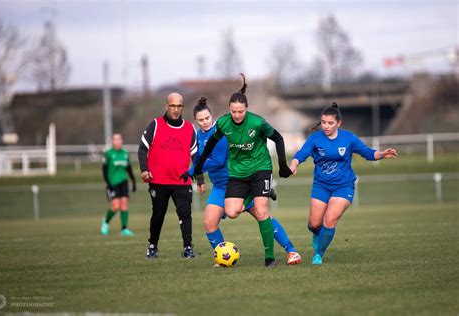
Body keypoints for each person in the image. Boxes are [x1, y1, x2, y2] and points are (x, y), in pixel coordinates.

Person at [191, 74, 293, 267]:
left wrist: (192, 171)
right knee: (209, 222)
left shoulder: (223, 130)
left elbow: (218, 160)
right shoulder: (203, 134)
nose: (204, 122)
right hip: (224, 186)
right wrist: (200, 178)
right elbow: (200, 158)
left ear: (212, 117)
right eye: (200, 119)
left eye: (207, 118)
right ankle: (223, 258)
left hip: (241, 177)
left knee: (262, 215)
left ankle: (289, 249)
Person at [289, 103, 398, 265]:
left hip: (343, 185)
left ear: (339, 123)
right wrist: (294, 164)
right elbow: (301, 154)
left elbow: (367, 153)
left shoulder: (348, 138)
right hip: (321, 185)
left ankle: (318, 254)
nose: (326, 126)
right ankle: (317, 234)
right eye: (324, 122)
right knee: (314, 224)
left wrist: (381, 154)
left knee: (330, 219)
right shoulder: (315, 139)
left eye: (330, 123)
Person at [138, 92, 198, 259]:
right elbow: (143, 149)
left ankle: (188, 248)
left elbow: (195, 156)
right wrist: (144, 169)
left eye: (179, 106)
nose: (176, 109)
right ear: (167, 106)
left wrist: (199, 179)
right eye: (173, 106)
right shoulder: (155, 125)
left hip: (182, 180)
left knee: (185, 214)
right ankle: (152, 246)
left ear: (182, 107)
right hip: (159, 180)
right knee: (158, 214)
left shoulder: (189, 128)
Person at [100, 133, 137, 236]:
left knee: (124, 205)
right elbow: (104, 170)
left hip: (123, 182)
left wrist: (133, 181)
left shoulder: (125, 153)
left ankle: (124, 229)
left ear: (122, 141)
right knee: (116, 206)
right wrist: (108, 184)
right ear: (112, 141)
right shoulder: (108, 154)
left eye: (119, 139)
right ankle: (106, 222)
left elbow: (129, 168)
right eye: (115, 139)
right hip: (113, 183)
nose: (117, 141)